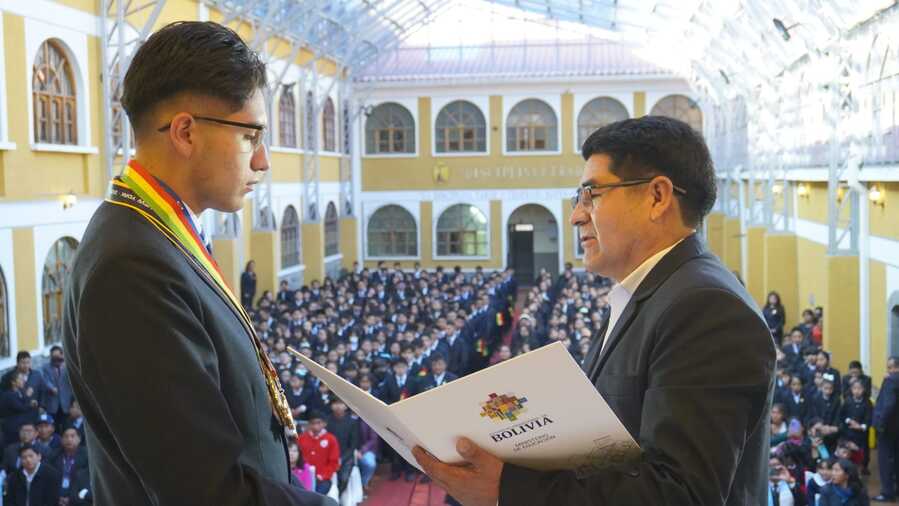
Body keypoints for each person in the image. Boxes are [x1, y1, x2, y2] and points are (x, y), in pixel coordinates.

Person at [412, 116, 775, 505]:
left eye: (592, 195)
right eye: (577, 200)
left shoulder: (705, 308)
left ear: (657, 197)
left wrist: (508, 488)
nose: (576, 216)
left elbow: (680, 495)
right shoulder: (655, 292)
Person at [61, 21, 333, 506]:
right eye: (250, 136)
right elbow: (208, 491)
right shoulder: (132, 266)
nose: (264, 161)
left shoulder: (154, 237)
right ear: (186, 132)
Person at [873, 356, 899, 502]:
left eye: (889, 367)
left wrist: (880, 423)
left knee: (884, 460)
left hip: (887, 428)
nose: (887, 371)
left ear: (894, 367)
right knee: (897, 458)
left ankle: (887, 492)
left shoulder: (890, 381)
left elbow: (889, 405)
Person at [297, 411, 340, 495]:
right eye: (313, 423)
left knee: (317, 496)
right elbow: (297, 458)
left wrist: (323, 475)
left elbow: (334, 462)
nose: (315, 425)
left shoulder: (331, 439)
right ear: (309, 424)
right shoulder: (301, 438)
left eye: (318, 422)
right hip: (304, 476)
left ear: (324, 423)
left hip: (322, 478)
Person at [48, 427, 89, 504]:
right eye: (66, 436)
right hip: (56, 499)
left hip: (78, 499)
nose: (69, 439)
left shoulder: (86, 456)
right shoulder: (54, 455)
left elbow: (87, 482)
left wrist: (72, 499)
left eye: (72, 436)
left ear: (79, 439)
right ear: (61, 439)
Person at [40, 345, 74, 433]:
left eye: (58, 357)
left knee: (66, 426)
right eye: (53, 357)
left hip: (66, 404)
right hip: (52, 404)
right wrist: (51, 388)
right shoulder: (45, 367)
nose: (56, 360)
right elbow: (44, 380)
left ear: (62, 355)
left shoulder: (67, 366)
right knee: (53, 427)